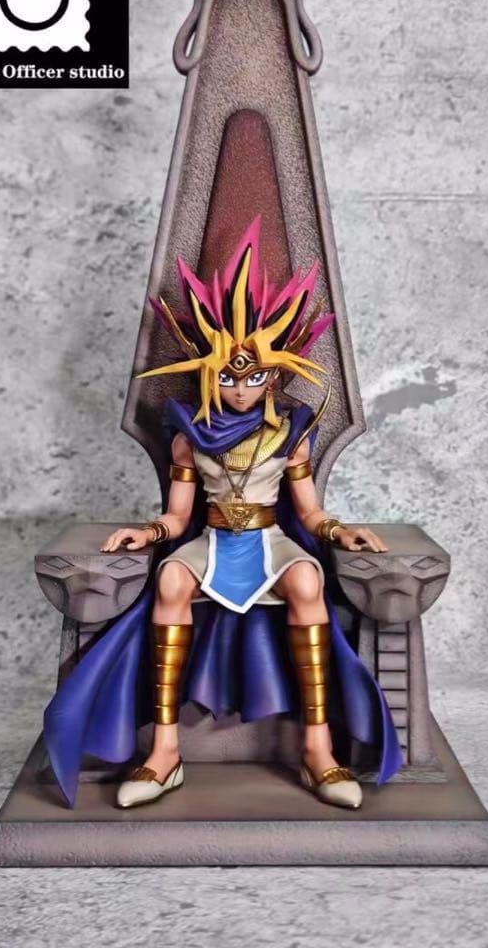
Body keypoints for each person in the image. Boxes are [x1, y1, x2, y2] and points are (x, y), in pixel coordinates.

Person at [43, 217, 402, 810]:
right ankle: (164, 752)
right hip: (211, 541)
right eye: (230, 377)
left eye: (254, 376)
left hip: (268, 539)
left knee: (307, 580)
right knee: (170, 580)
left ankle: (318, 750)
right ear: (209, 373)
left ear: (273, 375)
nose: (241, 389)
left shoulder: (290, 433)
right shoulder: (189, 436)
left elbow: (309, 511)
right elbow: (177, 516)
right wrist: (148, 531)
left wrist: (340, 530)